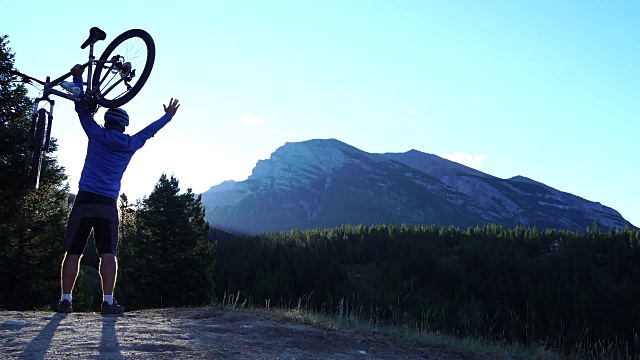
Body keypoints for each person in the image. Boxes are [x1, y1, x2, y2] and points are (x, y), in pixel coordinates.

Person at [57, 64, 180, 314]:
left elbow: (81, 107)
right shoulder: (131, 144)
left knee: (74, 252)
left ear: (108, 122)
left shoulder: (96, 134)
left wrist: (78, 78)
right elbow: (149, 132)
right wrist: (168, 116)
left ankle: (66, 300)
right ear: (124, 126)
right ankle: (109, 302)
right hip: (108, 204)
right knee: (108, 254)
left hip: (85, 199)